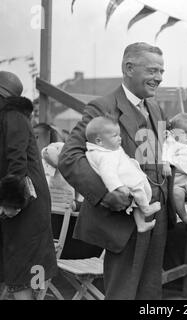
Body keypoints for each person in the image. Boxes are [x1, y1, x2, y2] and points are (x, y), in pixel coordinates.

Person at [58, 42, 175, 300]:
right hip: (123, 218)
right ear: (129, 68)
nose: (159, 78)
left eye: (161, 71)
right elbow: (69, 157)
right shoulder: (103, 107)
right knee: (123, 291)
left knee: (150, 290)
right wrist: (107, 195)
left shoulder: (155, 107)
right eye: (153, 70)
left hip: (157, 213)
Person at [0, 71, 57, 300]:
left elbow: (17, 161)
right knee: (18, 263)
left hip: (24, 202)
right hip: (19, 199)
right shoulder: (10, 116)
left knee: (25, 264)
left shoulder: (12, 115)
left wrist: (10, 202)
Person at [85, 116, 160, 232]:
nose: (120, 138)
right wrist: (119, 187)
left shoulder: (107, 149)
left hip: (128, 175)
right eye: (115, 136)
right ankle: (146, 209)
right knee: (140, 193)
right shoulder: (104, 157)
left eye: (119, 135)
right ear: (99, 141)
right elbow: (108, 175)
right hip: (126, 182)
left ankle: (141, 224)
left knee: (137, 203)